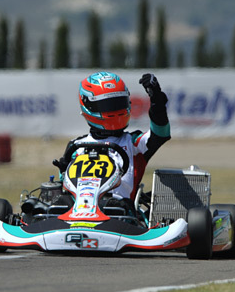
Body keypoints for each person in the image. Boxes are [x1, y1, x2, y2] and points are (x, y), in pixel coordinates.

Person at [51, 71, 171, 214]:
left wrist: (157, 99)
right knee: (56, 204)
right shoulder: (76, 146)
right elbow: (65, 184)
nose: (115, 111)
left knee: (115, 207)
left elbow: (160, 133)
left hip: (119, 215)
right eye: (108, 105)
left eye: (119, 104)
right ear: (89, 106)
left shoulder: (133, 143)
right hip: (78, 211)